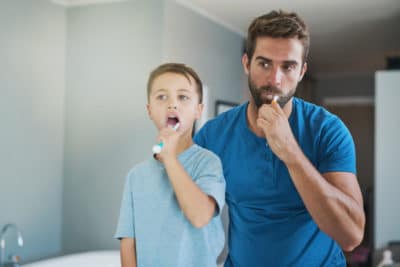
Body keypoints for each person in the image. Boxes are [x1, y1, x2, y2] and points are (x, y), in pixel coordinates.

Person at [194, 10, 365, 267]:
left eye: (288, 66)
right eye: (264, 63)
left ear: (302, 71)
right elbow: (188, 215)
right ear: (246, 63)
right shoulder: (212, 135)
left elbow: (351, 236)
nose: (275, 79)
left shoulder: (328, 131)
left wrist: (290, 152)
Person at [115, 63, 226, 267]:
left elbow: (200, 216)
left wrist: (170, 159)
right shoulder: (136, 176)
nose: (172, 105)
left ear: (198, 110)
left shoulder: (208, 163)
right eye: (161, 97)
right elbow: (128, 245)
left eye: (183, 97)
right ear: (149, 110)